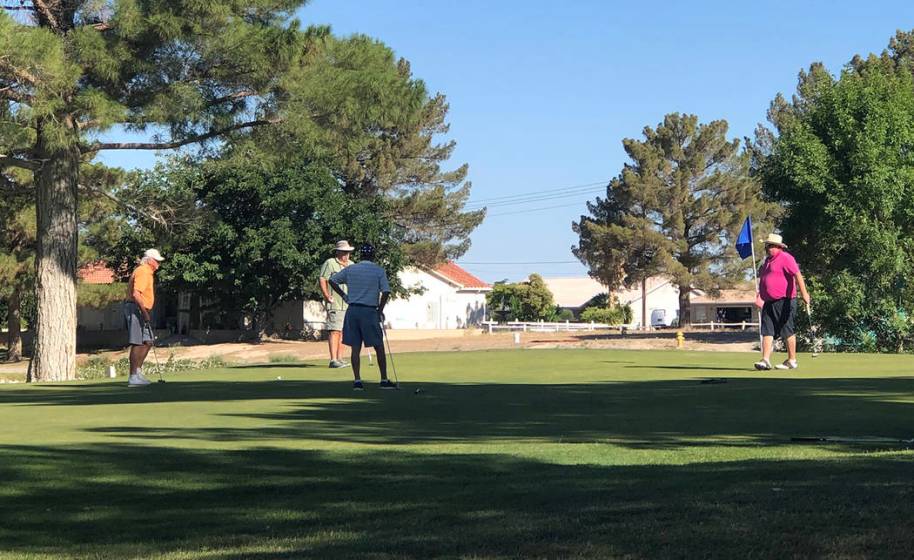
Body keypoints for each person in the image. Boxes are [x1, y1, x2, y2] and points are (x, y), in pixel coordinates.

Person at [328, 243, 396, 390]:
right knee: (378, 346)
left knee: (355, 347)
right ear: (373, 255)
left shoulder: (351, 269)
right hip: (369, 311)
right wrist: (380, 310)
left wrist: (344, 296)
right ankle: (383, 380)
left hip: (352, 310)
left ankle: (357, 381)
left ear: (361, 255)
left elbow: (332, 281)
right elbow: (386, 292)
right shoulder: (378, 271)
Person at [754, 234, 810, 371]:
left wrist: (804, 294)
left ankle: (792, 360)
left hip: (785, 300)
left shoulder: (786, 258)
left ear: (779, 247)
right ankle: (765, 360)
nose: (769, 248)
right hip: (768, 302)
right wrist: (760, 296)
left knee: (787, 330)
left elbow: (797, 275)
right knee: (767, 331)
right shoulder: (767, 261)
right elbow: (765, 280)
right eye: (768, 246)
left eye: (772, 246)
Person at [123, 249, 165, 387]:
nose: (158, 263)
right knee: (138, 342)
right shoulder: (143, 271)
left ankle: (138, 372)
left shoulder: (148, 272)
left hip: (142, 309)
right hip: (136, 308)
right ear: (149, 260)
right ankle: (133, 376)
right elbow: (136, 294)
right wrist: (144, 312)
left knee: (148, 341)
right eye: (156, 261)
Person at [318, 240, 354, 368]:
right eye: (344, 252)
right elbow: (323, 279)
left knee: (344, 331)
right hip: (335, 303)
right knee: (335, 330)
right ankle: (333, 360)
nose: (346, 255)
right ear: (338, 252)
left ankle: (340, 358)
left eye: (348, 252)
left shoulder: (351, 264)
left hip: (349, 304)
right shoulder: (330, 263)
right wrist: (327, 295)